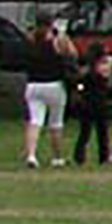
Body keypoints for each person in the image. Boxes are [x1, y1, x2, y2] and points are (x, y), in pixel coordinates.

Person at [17, 16, 71, 169]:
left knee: (35, 121)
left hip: (33, 85)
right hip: (54, 85)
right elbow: (71, 53)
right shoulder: (55, 42)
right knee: (55, 123)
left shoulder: (30, 42)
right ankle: (57, 157)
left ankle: (31, 155)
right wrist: (62, 33)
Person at [67, 44, 112, 168]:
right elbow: (109, 85)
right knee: (102, 132)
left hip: (86, 102)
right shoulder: (104, 69)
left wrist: (80, 90)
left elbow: (78, 84)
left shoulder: (86, 70)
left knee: (85, 131)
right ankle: (104, 157)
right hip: (101, 102)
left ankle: (79, 156)